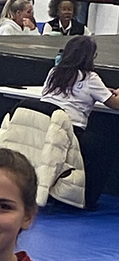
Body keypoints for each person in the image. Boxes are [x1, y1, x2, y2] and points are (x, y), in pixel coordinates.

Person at [40, 34, 119, 207]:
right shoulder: (90, 78)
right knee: (105, 149)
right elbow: (115, 104)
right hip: (71, 134)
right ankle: (88, 199)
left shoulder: (54, 72)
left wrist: (102, 90)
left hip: (45, 129)